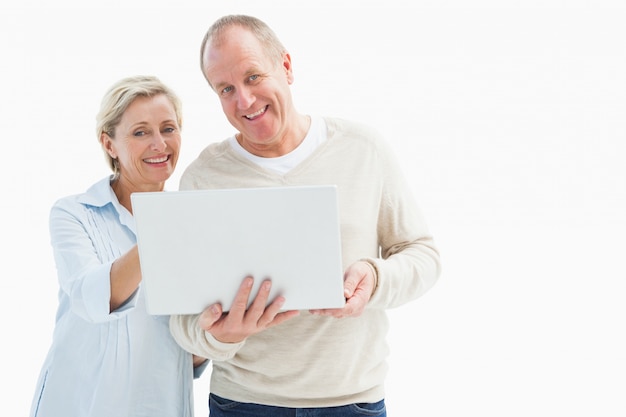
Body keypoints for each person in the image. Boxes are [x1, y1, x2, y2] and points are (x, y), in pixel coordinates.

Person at [169, 15, 441, 417]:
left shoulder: (362, 149)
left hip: (353, 402)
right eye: (226, 89)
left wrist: (375, 278)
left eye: (253, 77)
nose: (243, 101)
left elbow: (423, 256)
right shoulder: (204, 177)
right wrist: (220, 337)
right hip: (243, 404)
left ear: (287, 67)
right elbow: (182, 319)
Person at [30, 75, 207, 417]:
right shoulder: (74, 213)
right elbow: (92, 297)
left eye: (168, 128)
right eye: (140, 132)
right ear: (109, 144)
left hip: (160, 403)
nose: (159, 144)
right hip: (80, 403)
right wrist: (167, 226)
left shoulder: (194, 222)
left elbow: (192, 351)